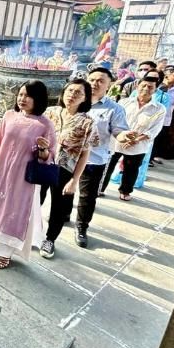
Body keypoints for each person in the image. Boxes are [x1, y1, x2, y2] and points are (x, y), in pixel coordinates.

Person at [0, 81, 56, 269]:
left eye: (28, 95)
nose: (22, 99)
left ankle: (6, 252)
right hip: (2, 172)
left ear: (38, 99)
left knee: (14, 212)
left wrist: (43, 149)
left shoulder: (44, 124)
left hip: (22, 178)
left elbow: (48, 157)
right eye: (20, 94)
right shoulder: (9, 115)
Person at [38, 79, 98, 259]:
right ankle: (28, 232)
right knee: (34, 200)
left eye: (78, 92)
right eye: (70, 90)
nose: (72, 95)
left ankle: (49, 240)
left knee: (59, 207)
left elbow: (84, 155)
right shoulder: (49, 112)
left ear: (85, 98)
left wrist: (75, 180)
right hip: (42, 164)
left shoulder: (87, 122)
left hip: (65, 170)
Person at [74, 67, 134, 247]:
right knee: (63, 191)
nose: (95, 83)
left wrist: (125, 137)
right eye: (92, 79)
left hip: (94, 159)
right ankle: (62, 216)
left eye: (101, 81)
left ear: (109, 85)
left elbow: (119, 131)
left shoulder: (114, 109)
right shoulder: (74, 100)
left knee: (87, 196)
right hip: (68, 157)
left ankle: (81, 227)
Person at [100, 79, 166, 201]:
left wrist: (136, 139)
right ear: (137, 87)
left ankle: (125, 191)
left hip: (139, 144)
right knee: (107, 166)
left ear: (155, 90)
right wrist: (122, 136)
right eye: (143, 85)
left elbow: (155, 129)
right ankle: (100, 188)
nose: (146, 88)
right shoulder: (124, 102)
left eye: (150, 87)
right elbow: (114, 120)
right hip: (117, 140)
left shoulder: (159, 108)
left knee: (131, 169)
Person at [151, 67, 174, 165]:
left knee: (159, 138)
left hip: (166, 117)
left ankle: (152, 156)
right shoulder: (157, 87)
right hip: (152, 115)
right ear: (167, 76)